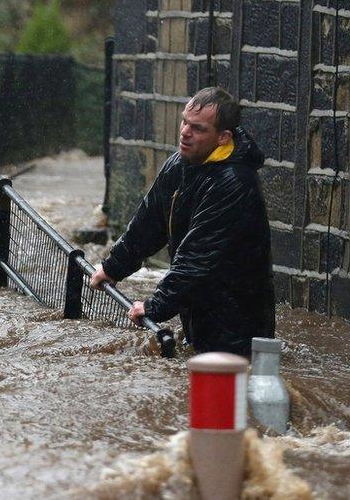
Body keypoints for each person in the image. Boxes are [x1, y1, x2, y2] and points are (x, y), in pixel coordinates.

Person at [90, 87, 275, 356]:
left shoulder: (234, 182)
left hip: (237, 326)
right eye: (184, 122)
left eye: (198, 128)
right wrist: (113, 267)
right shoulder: (180, 163)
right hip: (198, 315)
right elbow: (148, 222)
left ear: (223, 137)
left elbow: (198, 259)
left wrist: (155, 306)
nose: (185, 132)